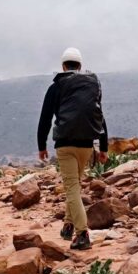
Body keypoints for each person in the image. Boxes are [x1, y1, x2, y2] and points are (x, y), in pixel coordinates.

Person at [37, 47, 108, 250]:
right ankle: (68, 226)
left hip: (65, 145)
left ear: (63, 66)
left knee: (71, 189)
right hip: (86, 145)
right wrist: (103, 147)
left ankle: (82, 234)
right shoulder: (91, 85)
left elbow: (45, 118)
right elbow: (100, 116)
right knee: (75, 185)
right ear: (80, 66)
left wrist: (42, 145)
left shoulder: (57, 86)